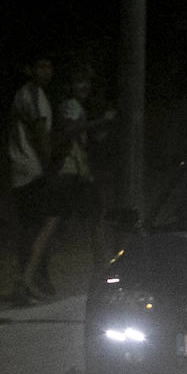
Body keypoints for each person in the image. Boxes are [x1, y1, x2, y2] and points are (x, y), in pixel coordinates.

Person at [53, 65, 117, 265]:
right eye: (79, 82)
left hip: (78, 169)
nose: (84, 86)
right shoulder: (72, 105)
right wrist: (100, 121)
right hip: (71, 169)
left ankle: (101, 259)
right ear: (70, 85)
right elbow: (71, 129)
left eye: (86, 82)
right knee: (60, 219)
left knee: (93, 213)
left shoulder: (79, 106)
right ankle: (102, 260)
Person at [8, 54, 56, 306]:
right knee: (38, 228)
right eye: (41, 65)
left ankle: (28, 281)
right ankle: (26, 282)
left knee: (31, 228)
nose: (46, 71)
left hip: (23, 169)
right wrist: (49, 167)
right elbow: (40, 134)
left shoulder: (31, 94)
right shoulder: (32, 95)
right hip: (31, 169)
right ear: (30, 69)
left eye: (48, 66)